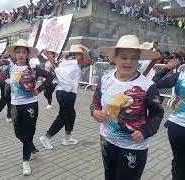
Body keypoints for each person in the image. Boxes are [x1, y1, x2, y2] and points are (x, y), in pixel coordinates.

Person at [90, 35, 164, 180]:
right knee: (109, 175)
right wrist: (94, 112)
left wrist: (145, 131)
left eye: (133, 58)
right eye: (123, 57)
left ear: (138, 60)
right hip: (107, 140)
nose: (128, 62)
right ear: (115, 58)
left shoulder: (147, 86)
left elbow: (157, 113)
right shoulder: (105, 80)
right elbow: (95, 103)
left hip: (134, 147)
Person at [5, 39, 54, 175]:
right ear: (14, 54)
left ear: (27, 54)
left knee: (28, 134)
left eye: (23, 52)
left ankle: (25, 161)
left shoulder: (32, 69)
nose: (21, 54)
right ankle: (31, 147)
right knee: (18, 133)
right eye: (18, 52)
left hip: (30, 105)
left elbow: (50, 76)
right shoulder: (10, 68)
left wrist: (38, 90)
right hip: (15, 106)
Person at [40, 45, 84, 150]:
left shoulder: (65, 64)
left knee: (71, 114)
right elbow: (65, 80)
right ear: (74, 55)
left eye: (81, 55)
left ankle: (67, 138)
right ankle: (46, 137)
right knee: (64, 116)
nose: (81, 57)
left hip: (65, 93)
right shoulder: (73, 66)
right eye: (79, 55)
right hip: (66, 93)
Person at [154, 62, 185, 180]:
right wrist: (165, 69)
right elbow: (152, 85)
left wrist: (165, 70)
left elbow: (154, 84)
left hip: (177, 126)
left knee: (180, 162)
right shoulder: (180, 75)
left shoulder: (180, 75)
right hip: (179, 126)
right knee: (180, 162)